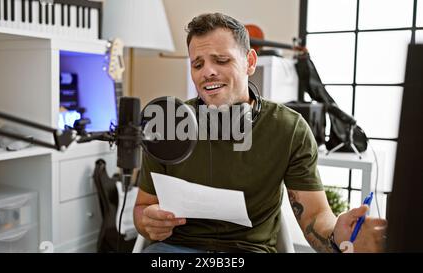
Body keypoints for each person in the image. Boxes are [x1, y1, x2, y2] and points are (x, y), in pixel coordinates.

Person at [133, 12, 387, 253]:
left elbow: (314, 216)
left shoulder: (289, 129)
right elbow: (142, 208)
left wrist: (338, 236)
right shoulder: (167, 123)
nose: (207, 71)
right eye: (197, 64)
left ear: (250, 62)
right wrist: (148, 221)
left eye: (221, 60)